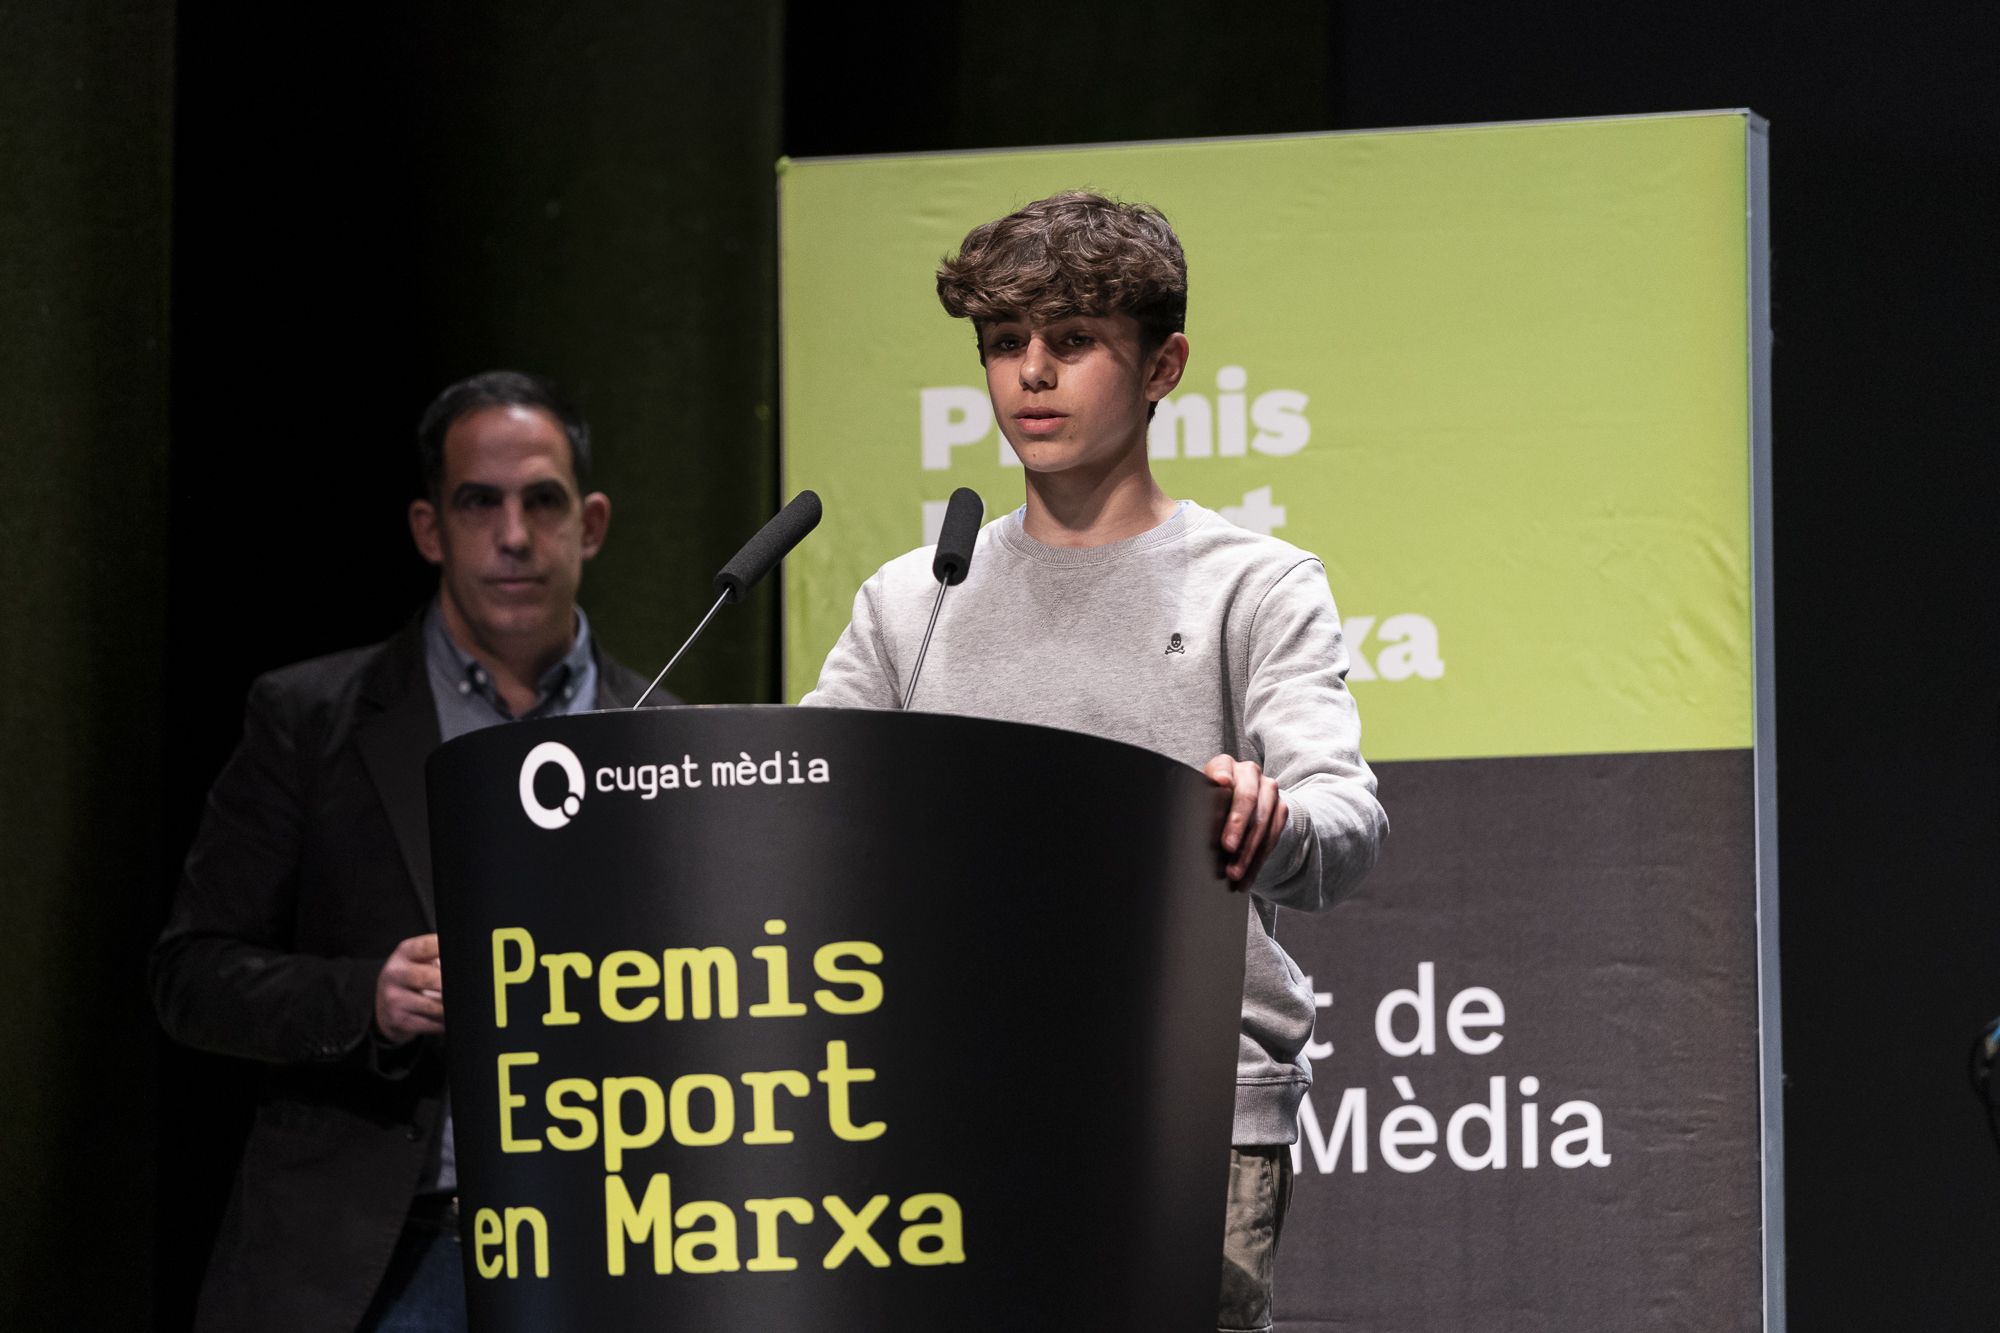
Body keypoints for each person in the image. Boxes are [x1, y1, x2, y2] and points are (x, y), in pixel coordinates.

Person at [802, 192, 1388, 1333]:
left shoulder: (1251, 585)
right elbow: (808, 813)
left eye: (1071, 342)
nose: (1030, 374)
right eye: (1003, 345)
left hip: (1185, 1104)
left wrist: (1273, 824)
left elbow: (1344, 824)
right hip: (945, 1103)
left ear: (1163, 364)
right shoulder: (911, 599)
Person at [151, 370, 670, 1333]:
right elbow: (191, 975)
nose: (513, 535)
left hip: (612, 1247)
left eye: (542, 502)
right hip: (380, 1256)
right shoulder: (308, 720)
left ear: (590, 524)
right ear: (431, 528)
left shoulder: (662, 737)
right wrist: (369, 999)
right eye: (479, 502)